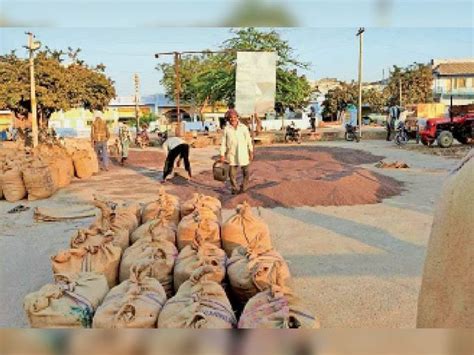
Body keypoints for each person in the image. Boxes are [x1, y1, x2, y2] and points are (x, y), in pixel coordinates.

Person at [220, 110, 254, 195]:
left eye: (234, 117)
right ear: (228, 119)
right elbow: (223, 142)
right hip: (232, 154)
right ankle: (234, 188)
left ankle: (243, 187)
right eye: (230, 117)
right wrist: (222, 154)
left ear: (237, 117)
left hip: (243, 153)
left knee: (246, 173)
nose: (233, 119)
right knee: (232, 175)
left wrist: (251, 151)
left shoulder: (243, 127)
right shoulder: (226, 129)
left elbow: (248, 140)